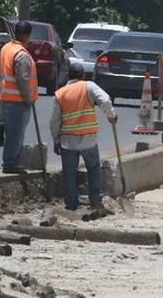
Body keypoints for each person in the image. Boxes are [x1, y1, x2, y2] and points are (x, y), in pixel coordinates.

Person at [50, 63, 117, 212]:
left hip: (68, 141)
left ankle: (72, 205)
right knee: (93, 169)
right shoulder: (89, 86)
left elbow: (54, 122)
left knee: (69, 173)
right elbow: (105, 101)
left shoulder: (60, 94)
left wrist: (56, 140)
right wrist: (111, 115)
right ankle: (95, 202)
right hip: (88, 139)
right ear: (83, 76)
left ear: (68, 76)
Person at [1, 21, 39, 174]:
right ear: (26, 35)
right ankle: (11, 163)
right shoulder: (21, 54)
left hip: (6, 97)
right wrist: (28, 99)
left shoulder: (6, 48)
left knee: (10, 132)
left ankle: (11, 161)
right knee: (16, 133)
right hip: (18, 100)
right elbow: (23, 79)